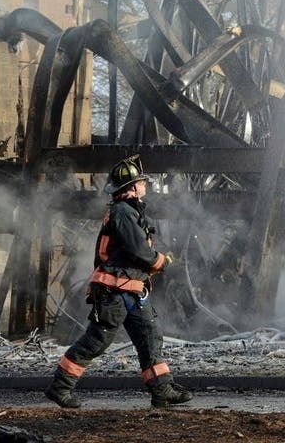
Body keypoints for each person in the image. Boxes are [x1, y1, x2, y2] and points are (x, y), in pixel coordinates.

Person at [45, 155, 193, 409]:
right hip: (114, 293)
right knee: (97, 340)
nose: (146, 185)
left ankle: (161, 389)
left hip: (133, 291)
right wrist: (162, 262)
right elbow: (137, 249)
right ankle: (60, 387)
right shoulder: (123, 212)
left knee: (150, 337)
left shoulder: (128, 210)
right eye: (142, 182)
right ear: (132, 187)